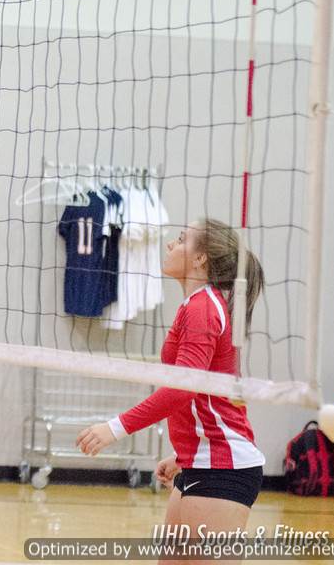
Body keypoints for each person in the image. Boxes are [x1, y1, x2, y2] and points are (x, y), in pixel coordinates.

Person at [77, 219, 266, 561]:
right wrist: (185, 453)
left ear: (200, 259)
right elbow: (203, 393)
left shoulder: (203, 307)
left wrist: (114, 428)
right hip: (201, 464)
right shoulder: (196, 305)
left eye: (180, 240)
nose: (169, 245)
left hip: (223, 469)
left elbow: (182, 389)